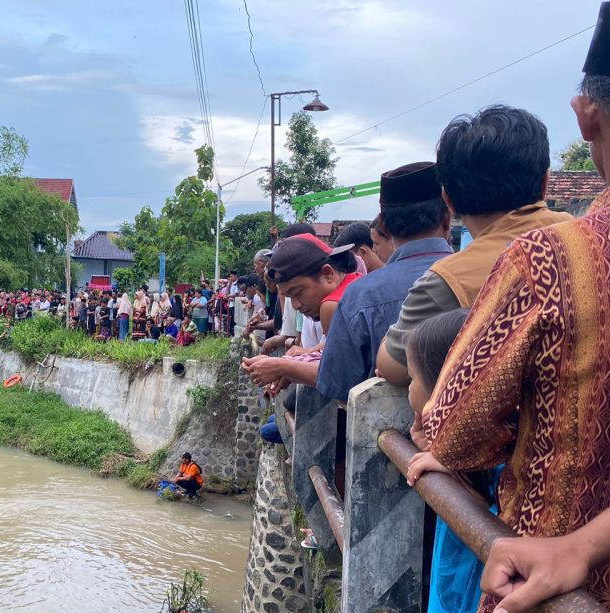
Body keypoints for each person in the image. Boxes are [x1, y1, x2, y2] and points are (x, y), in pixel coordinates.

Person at [406, 105, 610, 613]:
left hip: (556, 578)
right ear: (545, 181)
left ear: (586, 117)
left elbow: (456, 431)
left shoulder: (547, 260)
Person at [376, 106, 572, 387]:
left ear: (449, 201)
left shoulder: (445, 282)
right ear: (545, 183)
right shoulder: (591, 238)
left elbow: (391, 367)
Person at [316, 162, 454, 403]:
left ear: (384, 225)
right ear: (447, 217)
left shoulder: (359, 296)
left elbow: (337, 388)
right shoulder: (490, 276)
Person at [400, 309, 494, 613]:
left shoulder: (485, 467)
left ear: (446, 387)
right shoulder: (473, 455)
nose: (409, 389)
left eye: (412, 379)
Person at [241, 234, 359, 390]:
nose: (296, 305)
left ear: (328, 274)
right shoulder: (355, 287)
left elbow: (339, 377)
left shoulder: (332, 306)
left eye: (298, 292)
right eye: (289, 296)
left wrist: (282, 367)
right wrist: (287, 367)